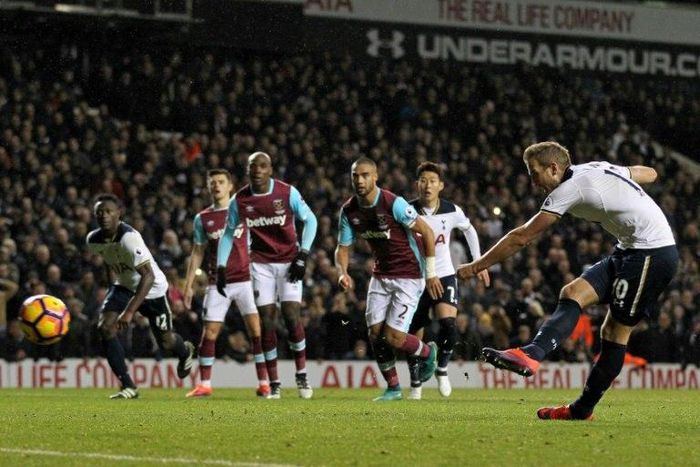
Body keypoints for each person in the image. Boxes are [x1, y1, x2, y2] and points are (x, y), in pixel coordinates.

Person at [458, 141, 678, 420]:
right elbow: (650, 173)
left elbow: (521, 237)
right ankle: (532, 354)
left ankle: (581, 409)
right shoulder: (596, 168)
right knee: (573, 291)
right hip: (629, 248)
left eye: (534, 173)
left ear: (553, 169)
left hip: (653, 254)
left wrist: (477, 265)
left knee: (614, 334)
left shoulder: (569, 188)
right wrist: (624, 179)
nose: (532, 181)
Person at [335, 156, 443, 401]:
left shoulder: (392, 203)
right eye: (355, 175)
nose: (360, 180)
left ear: (375, 177)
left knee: (393, 337)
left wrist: (431, 272)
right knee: (374, 334)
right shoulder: (349, 210)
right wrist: (343, 272)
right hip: (381, 274)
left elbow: (426, 231)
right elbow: (342, 247)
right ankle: (393, 388)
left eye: (365, 175)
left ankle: (428, 353)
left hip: (409, 274)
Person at [217, 152, 317, 399]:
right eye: (253, 166)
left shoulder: (287, 193)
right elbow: (229, 233)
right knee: (267, 321)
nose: (258, 170)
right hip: (261, 264)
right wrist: (221, 267)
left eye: (262, 166)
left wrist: (303, 255)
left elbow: (311, 220)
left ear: (270, 169)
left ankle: (302, 375)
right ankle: (274, 383)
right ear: (247, 170)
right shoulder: (239, 200)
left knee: (291, 315)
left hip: (289, 261)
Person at [86, 193, 195, 399]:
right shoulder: (93, 240)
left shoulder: (129, 238)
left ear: (119, 213)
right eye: (99, 212)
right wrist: (113, 291)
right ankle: (128, 385)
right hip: (124, 287)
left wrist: (128, 312)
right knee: (105, 328)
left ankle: (185, 352)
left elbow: (148, 276)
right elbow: (110, 263)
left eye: (109, 211)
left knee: (166, 341)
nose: (104, 216)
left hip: (153, 290)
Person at [406, 162, 490, 400]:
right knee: (413, 333)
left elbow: (469, 230)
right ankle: (415, 383)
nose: (427, 185)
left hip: (444, 274)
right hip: (415, 279)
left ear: (440, 185)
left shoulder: (452, 210)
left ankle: (441, 369)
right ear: (417, 184)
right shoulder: (406, 210)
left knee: (449, 326)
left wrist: (479, 261)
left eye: (432, 181)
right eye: (423, 180)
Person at [183, 169, 270, 398]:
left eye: (221, 182)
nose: (216, 186)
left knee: (256, 331)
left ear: (230, 185)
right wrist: (188, 284)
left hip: (246, 281)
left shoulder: (244, 211)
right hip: (217, 283)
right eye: (212, 183)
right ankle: (205, 384)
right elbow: (197, 251)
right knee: (209, 332)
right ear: (208, 187)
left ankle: (264, 383)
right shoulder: (203, 218)